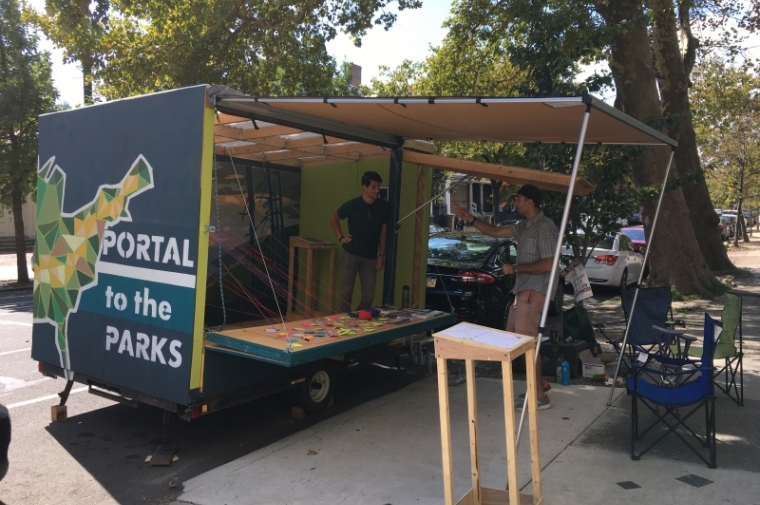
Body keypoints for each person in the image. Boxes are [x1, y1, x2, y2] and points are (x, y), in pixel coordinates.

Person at [453, 184, 558, 410]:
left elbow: (549, 263)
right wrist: (471, 219)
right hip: (523, 289)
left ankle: (539, 396)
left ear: (529, 201)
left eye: (518, 199)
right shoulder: (524, 226)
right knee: (516, 338)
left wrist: (516, 268)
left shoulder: (545, 226)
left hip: (535, 289)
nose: (515, 203)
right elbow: (494, 232)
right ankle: (539, 383)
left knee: (528, 342)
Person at [330, 171, 389, 313]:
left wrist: (382, 255)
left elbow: (383, 233)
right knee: (346, 293)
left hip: (370, 257)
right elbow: (334, 218)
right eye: (373, 187)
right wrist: (340, 237)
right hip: (351, 253)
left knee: (368, 296)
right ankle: (343, 323)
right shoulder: (353, 204)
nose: (376, 190)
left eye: (378, 187)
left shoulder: (384, 207)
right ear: (365, 187)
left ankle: (356, 317)